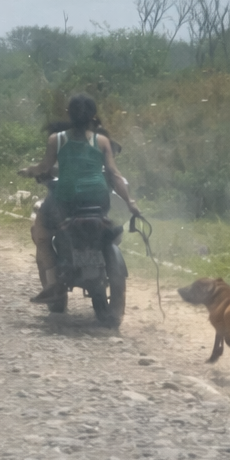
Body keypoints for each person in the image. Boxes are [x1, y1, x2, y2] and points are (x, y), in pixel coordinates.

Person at [18, 93, 142, 303]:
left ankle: (51, 281)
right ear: (93, 116)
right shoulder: (102, 141)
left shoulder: (56, 139)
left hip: (65, 201)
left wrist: (29, 171)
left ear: (68, 114)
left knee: (41, 233)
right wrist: (130, 202)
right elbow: (114, 174)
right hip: (98, 199)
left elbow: (44, 167)